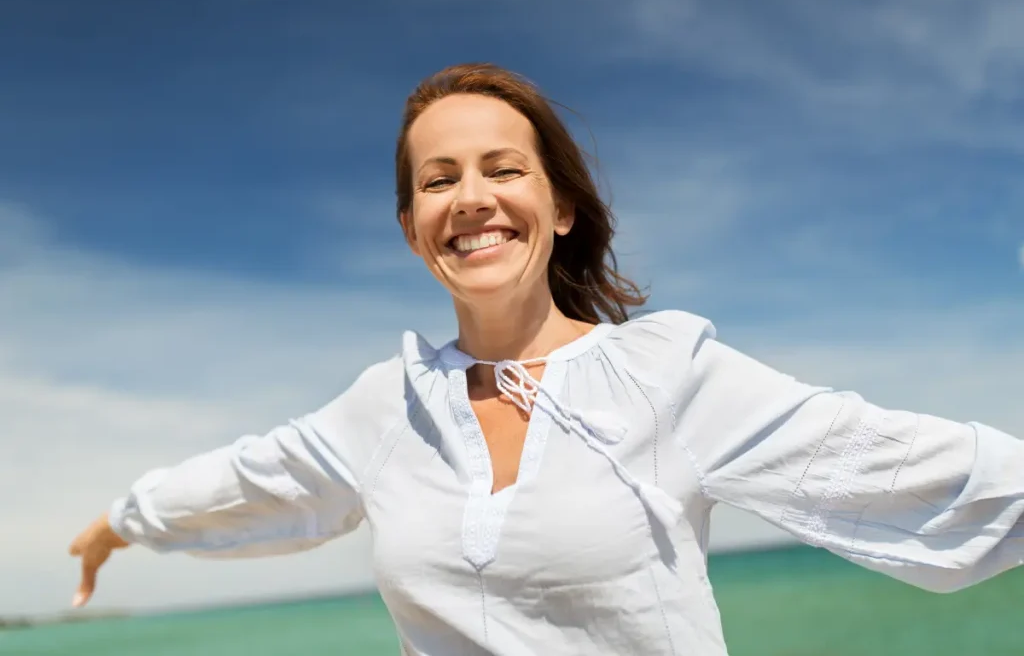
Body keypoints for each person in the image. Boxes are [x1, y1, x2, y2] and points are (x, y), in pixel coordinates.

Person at [69, 62, 1024, 655]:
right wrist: (119, 521)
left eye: (503, 168)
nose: (471, 197)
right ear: (412, 231)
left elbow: (896, 459)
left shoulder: (668, 374)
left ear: (559, 207)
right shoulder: (387, 406)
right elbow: (249, 479)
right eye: (438, 180)